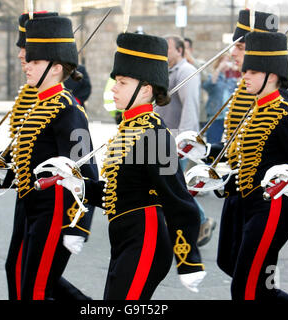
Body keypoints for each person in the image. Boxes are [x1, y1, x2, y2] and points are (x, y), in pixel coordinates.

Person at [51, 32, 206, 300]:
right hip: (125, 237)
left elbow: (178, 199)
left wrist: (188, 259)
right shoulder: (129, 129)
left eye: (122, 82)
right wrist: (79, 184)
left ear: (145, 89)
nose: (114, 88)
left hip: (146, 240)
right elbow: (119, 196)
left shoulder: (154, 134)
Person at [0, 15, 98, 300]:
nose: (26, 65)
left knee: (37, 289)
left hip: (55, 212)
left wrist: (80, 225)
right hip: (31, 205)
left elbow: (86, 170)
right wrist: (1, 167)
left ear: (55, 68)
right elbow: (31, 153)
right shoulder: (40, 103)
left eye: (35, 61)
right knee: (17, 273)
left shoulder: (68, 110)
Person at [218, 31, 288, 300]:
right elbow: (247, 162)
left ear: (271, 75)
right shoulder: (256, 108)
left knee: (245, 289)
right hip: (249, 206)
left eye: (251, 71)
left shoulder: (284, 113)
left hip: (273, 208)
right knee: (257, 286)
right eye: (245, 70)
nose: (244, 76)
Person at [154, 35, 216, 247]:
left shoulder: (186, 72)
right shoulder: (169, 71)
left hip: (176, 140)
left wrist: (184, 143)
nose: (165, 53)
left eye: (168, 48)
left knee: (173, 189)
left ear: (180, 50)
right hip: (164, 138)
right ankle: (192, 224)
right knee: (171, 188)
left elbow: (190, 106)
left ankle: (200, 221)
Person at [202, 54, 238, 144]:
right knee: (212, 144)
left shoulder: (232, 79)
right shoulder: (213, 76)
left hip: (229, 117)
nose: (226, 63)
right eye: (223, 61)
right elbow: (209, 85)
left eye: (228, 61)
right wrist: (218, 69)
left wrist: (236, 70)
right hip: (215, 116)